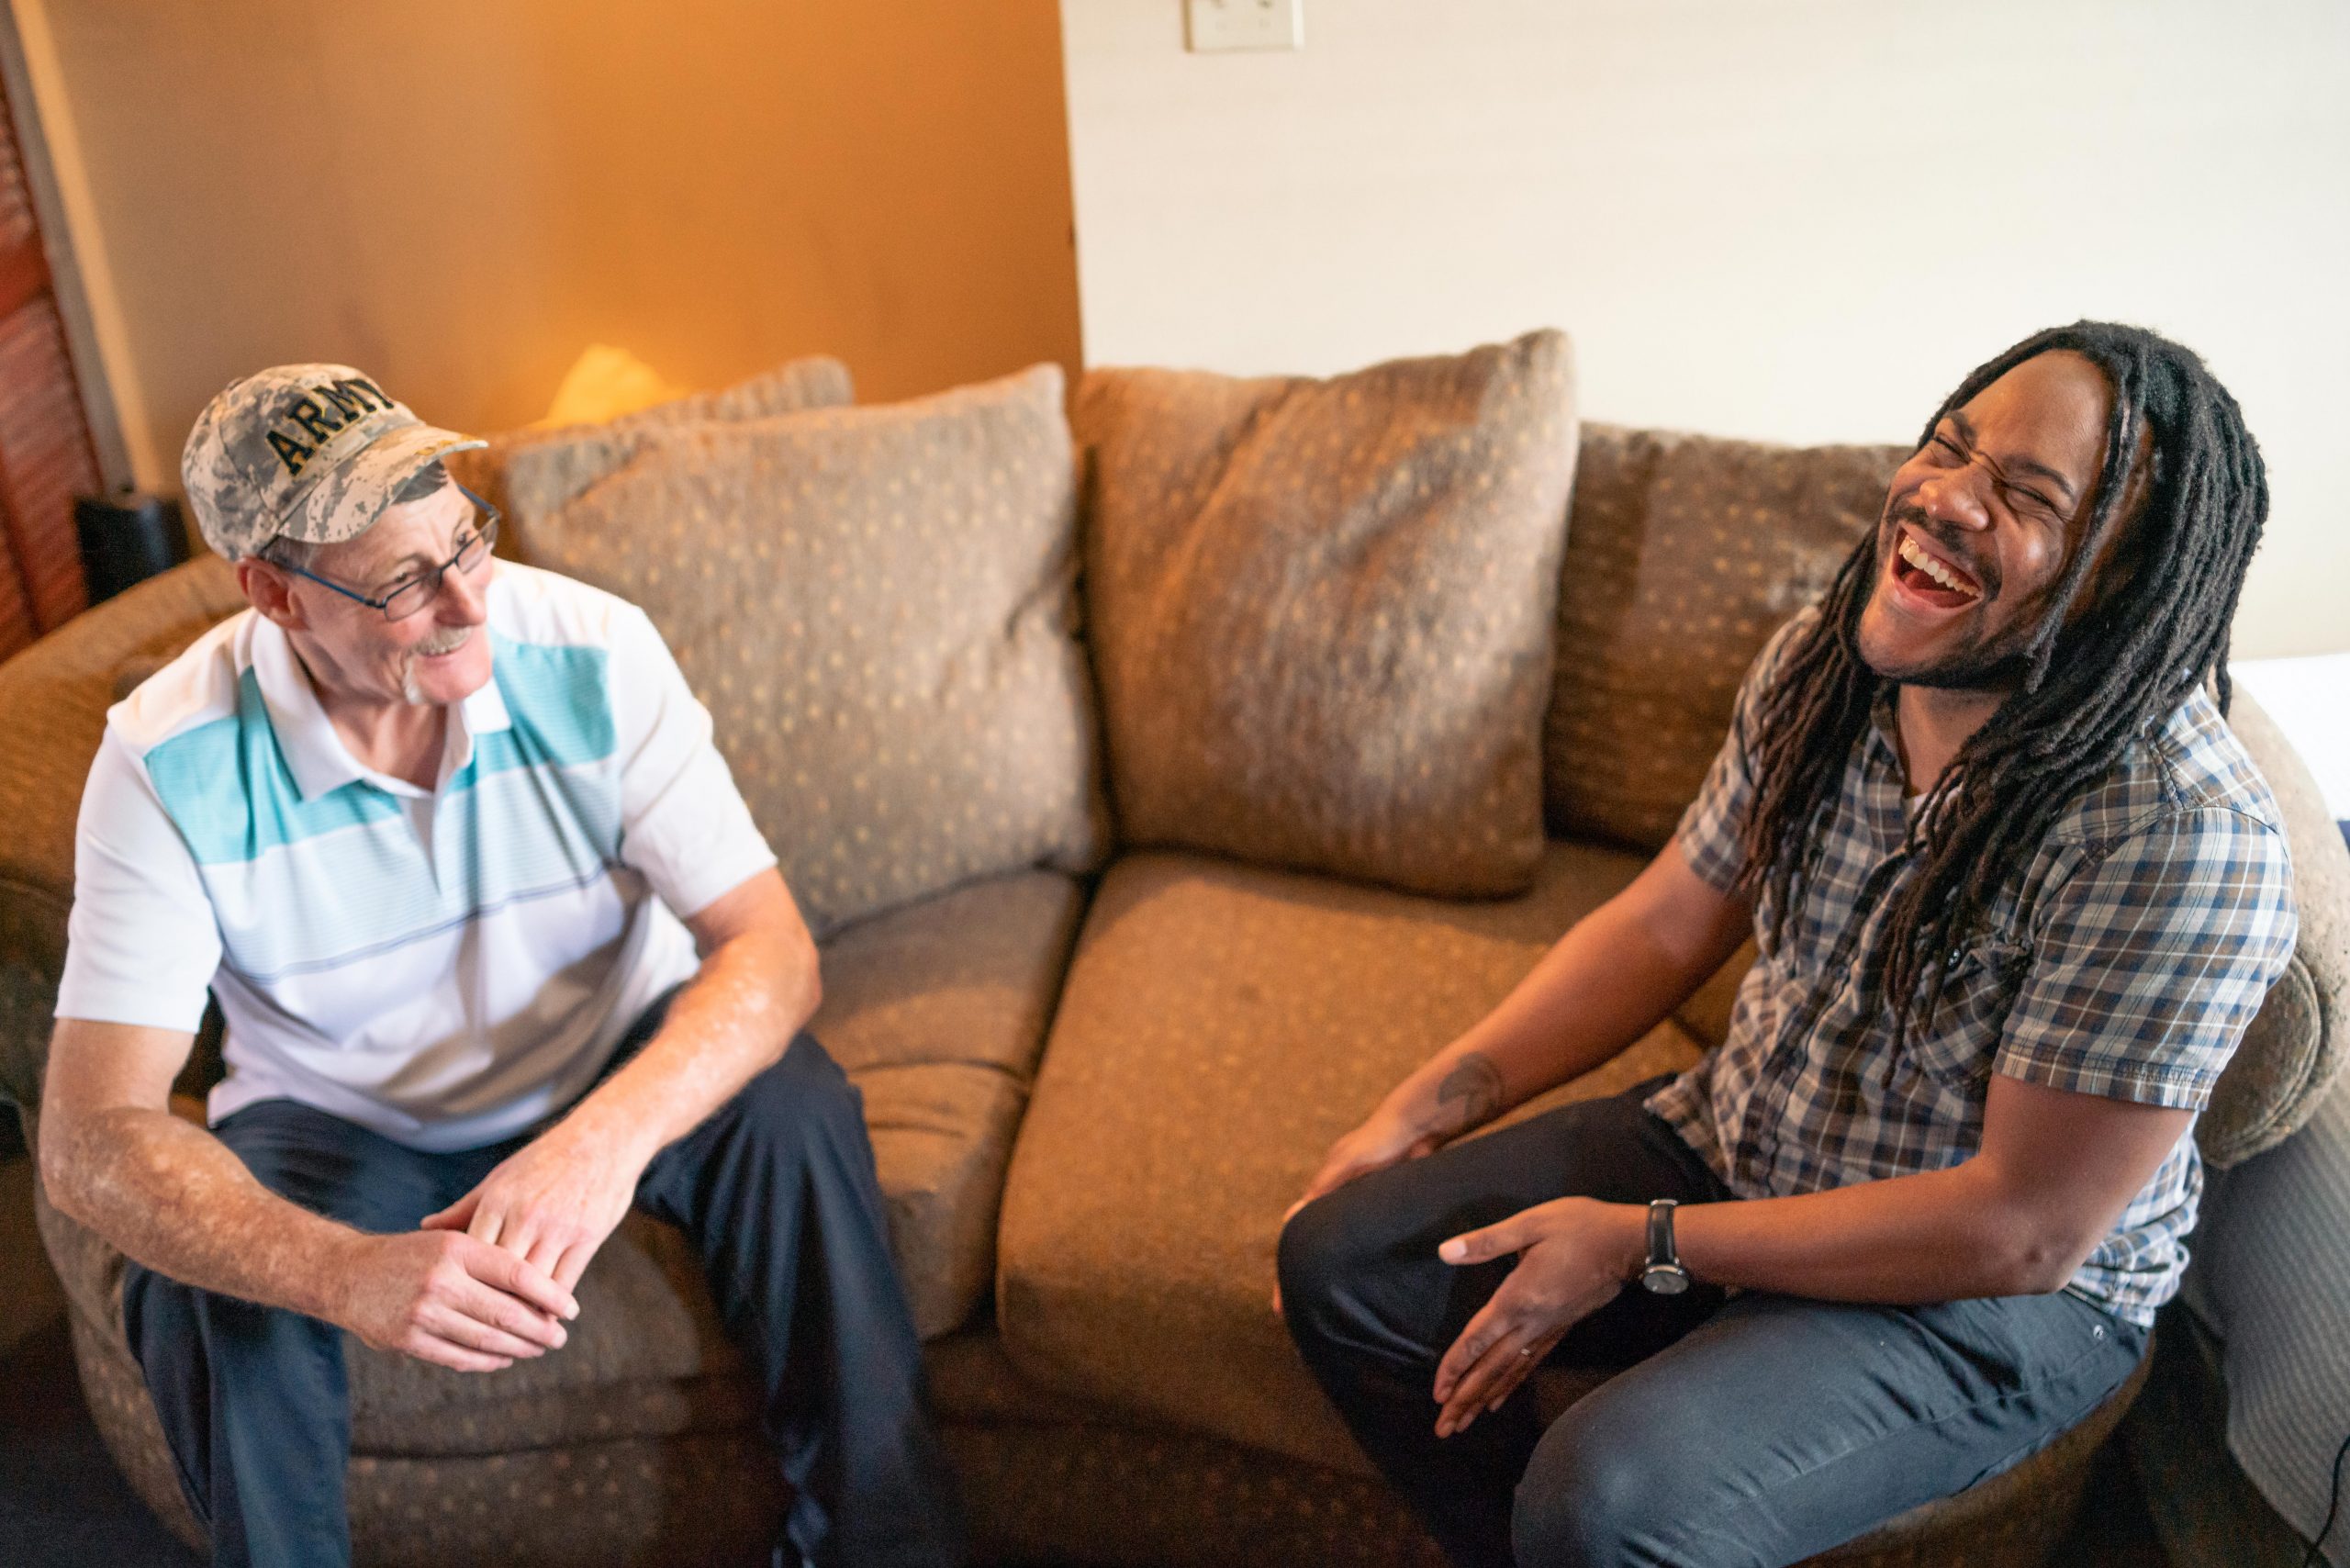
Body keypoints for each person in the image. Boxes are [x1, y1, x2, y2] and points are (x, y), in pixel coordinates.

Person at [1275, 322, 2300, 1568]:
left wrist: (1639, 1241)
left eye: (2025, 496)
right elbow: (1664, 921)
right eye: (1949, 446)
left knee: (1604, 1496)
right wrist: (1416, 1117)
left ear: (2128, 581)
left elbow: (2020, 1228)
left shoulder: (2180, 836)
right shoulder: (1837, 662)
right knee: (1344, 1261)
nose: (1944, 498)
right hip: (1745, 1142)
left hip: (1984, 1300)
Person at [38, 364, 964, 1568]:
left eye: (465, 541)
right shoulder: (168, 758)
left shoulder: (590, 649)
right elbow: (90, 1137)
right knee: (205, 1283)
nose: (466, 599)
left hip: (611, 1047)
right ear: (274, 592)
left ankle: (884, 1550)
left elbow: (770, 951)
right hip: (338, 1117)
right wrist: (343, 1273)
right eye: (405, 585)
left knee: (793, 1111)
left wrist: (601, 1144)